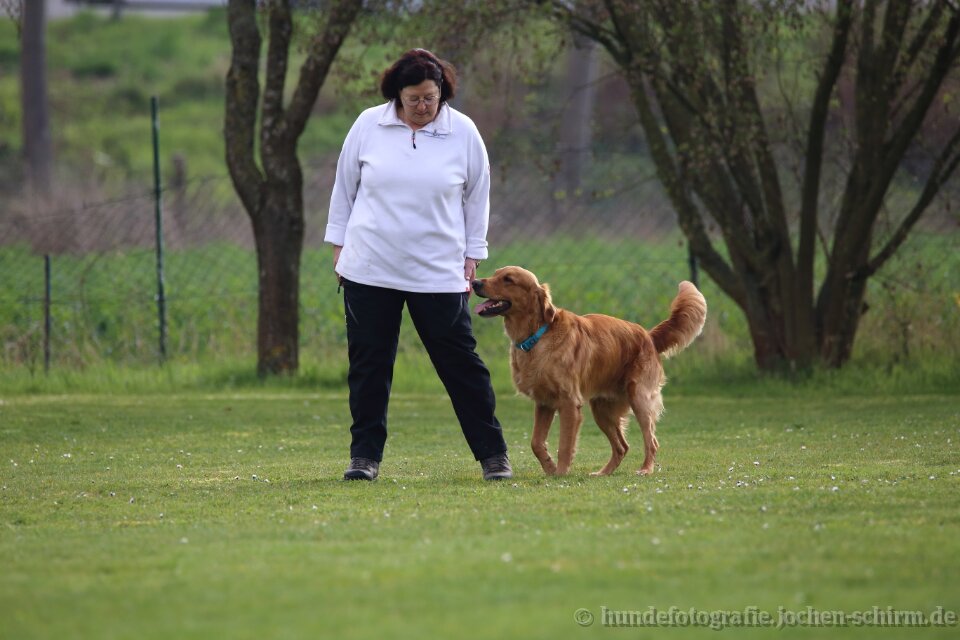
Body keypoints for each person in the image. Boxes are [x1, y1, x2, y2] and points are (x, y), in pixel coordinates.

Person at [324, 48, 512, 482]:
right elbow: (344, 188)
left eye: (431, 97)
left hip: (438, 271)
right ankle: (364, 457)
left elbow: (478, 197)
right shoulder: (367, 125)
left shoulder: (463, 132)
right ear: (397, 95)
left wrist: (473, 254)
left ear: (442, 91)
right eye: (414, 99)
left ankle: (493, 455)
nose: (424, 106)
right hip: (370, 267)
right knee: (369, 366)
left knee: (462, 366)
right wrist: (340, 247)